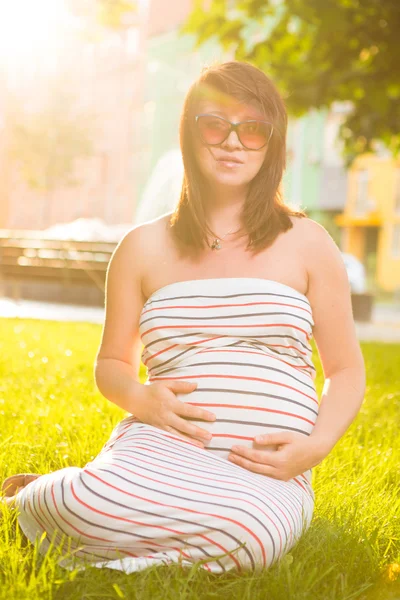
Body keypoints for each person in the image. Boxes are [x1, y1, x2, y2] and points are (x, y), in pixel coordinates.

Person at [1, 60, 366, 574]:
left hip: (264, 469)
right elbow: (111, 364)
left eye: (254, 129)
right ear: (190, 135)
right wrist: (140, 397)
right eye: (217, 124)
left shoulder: (308, 242)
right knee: (81, 503)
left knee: (250, 538)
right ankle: (48, 496)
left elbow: (347, 370)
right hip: (159, 445)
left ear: (273, 143)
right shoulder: (140, 247)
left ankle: (124, 547)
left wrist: (314, 448)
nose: (234, 142)